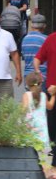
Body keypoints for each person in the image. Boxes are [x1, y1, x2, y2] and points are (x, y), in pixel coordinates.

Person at [34, 28, 56, 167]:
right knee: (52, 126)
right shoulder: (51, 39)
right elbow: (38, 58)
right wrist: (37, 71)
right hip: (51, 90)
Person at [22, 72, 55, 153]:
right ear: (41, 83)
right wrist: (54, 95)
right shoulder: (43, 95)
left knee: (29, 150)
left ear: (28, 83)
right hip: (41, 127)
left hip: (30, 125)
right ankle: (41, 164)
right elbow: (50, 107)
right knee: (40, 152)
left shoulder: (26, 95)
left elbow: (24, 109)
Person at [22, 14, 48, 91]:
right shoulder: (46, 39)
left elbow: (24, 56)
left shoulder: (25, 39)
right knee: (41, 101)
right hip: (41, 76)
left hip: (28, 77)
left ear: (32, 26)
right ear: (44, 26)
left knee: (30, 100)